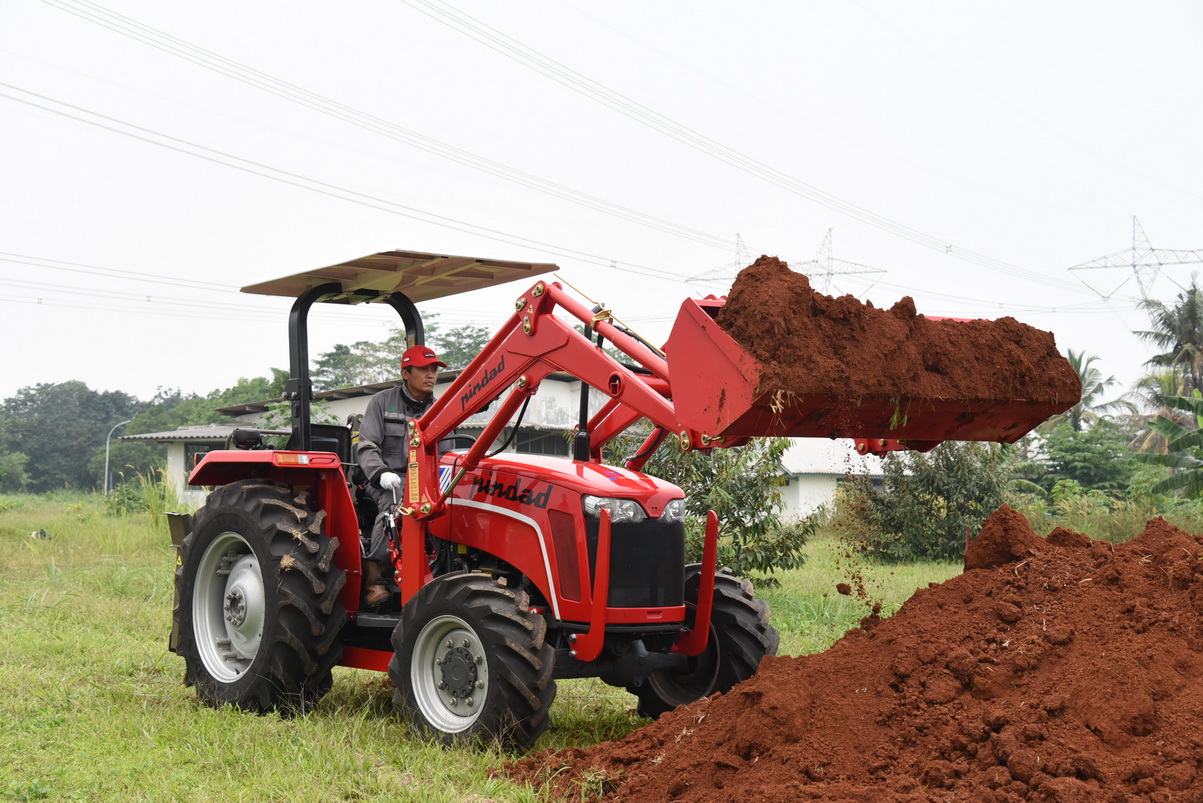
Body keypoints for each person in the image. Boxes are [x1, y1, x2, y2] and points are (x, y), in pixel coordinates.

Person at [356, 344, 447, 608]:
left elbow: (448, 450)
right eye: (423, 369)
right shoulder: (382, 402)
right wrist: (381, 472)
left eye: (434, 370)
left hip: (425, 480)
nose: (430, 375)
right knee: (395, 502)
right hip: (382, 477)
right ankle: (376, 578)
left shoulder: (440, 409)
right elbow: (367, 446)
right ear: (406, 373)